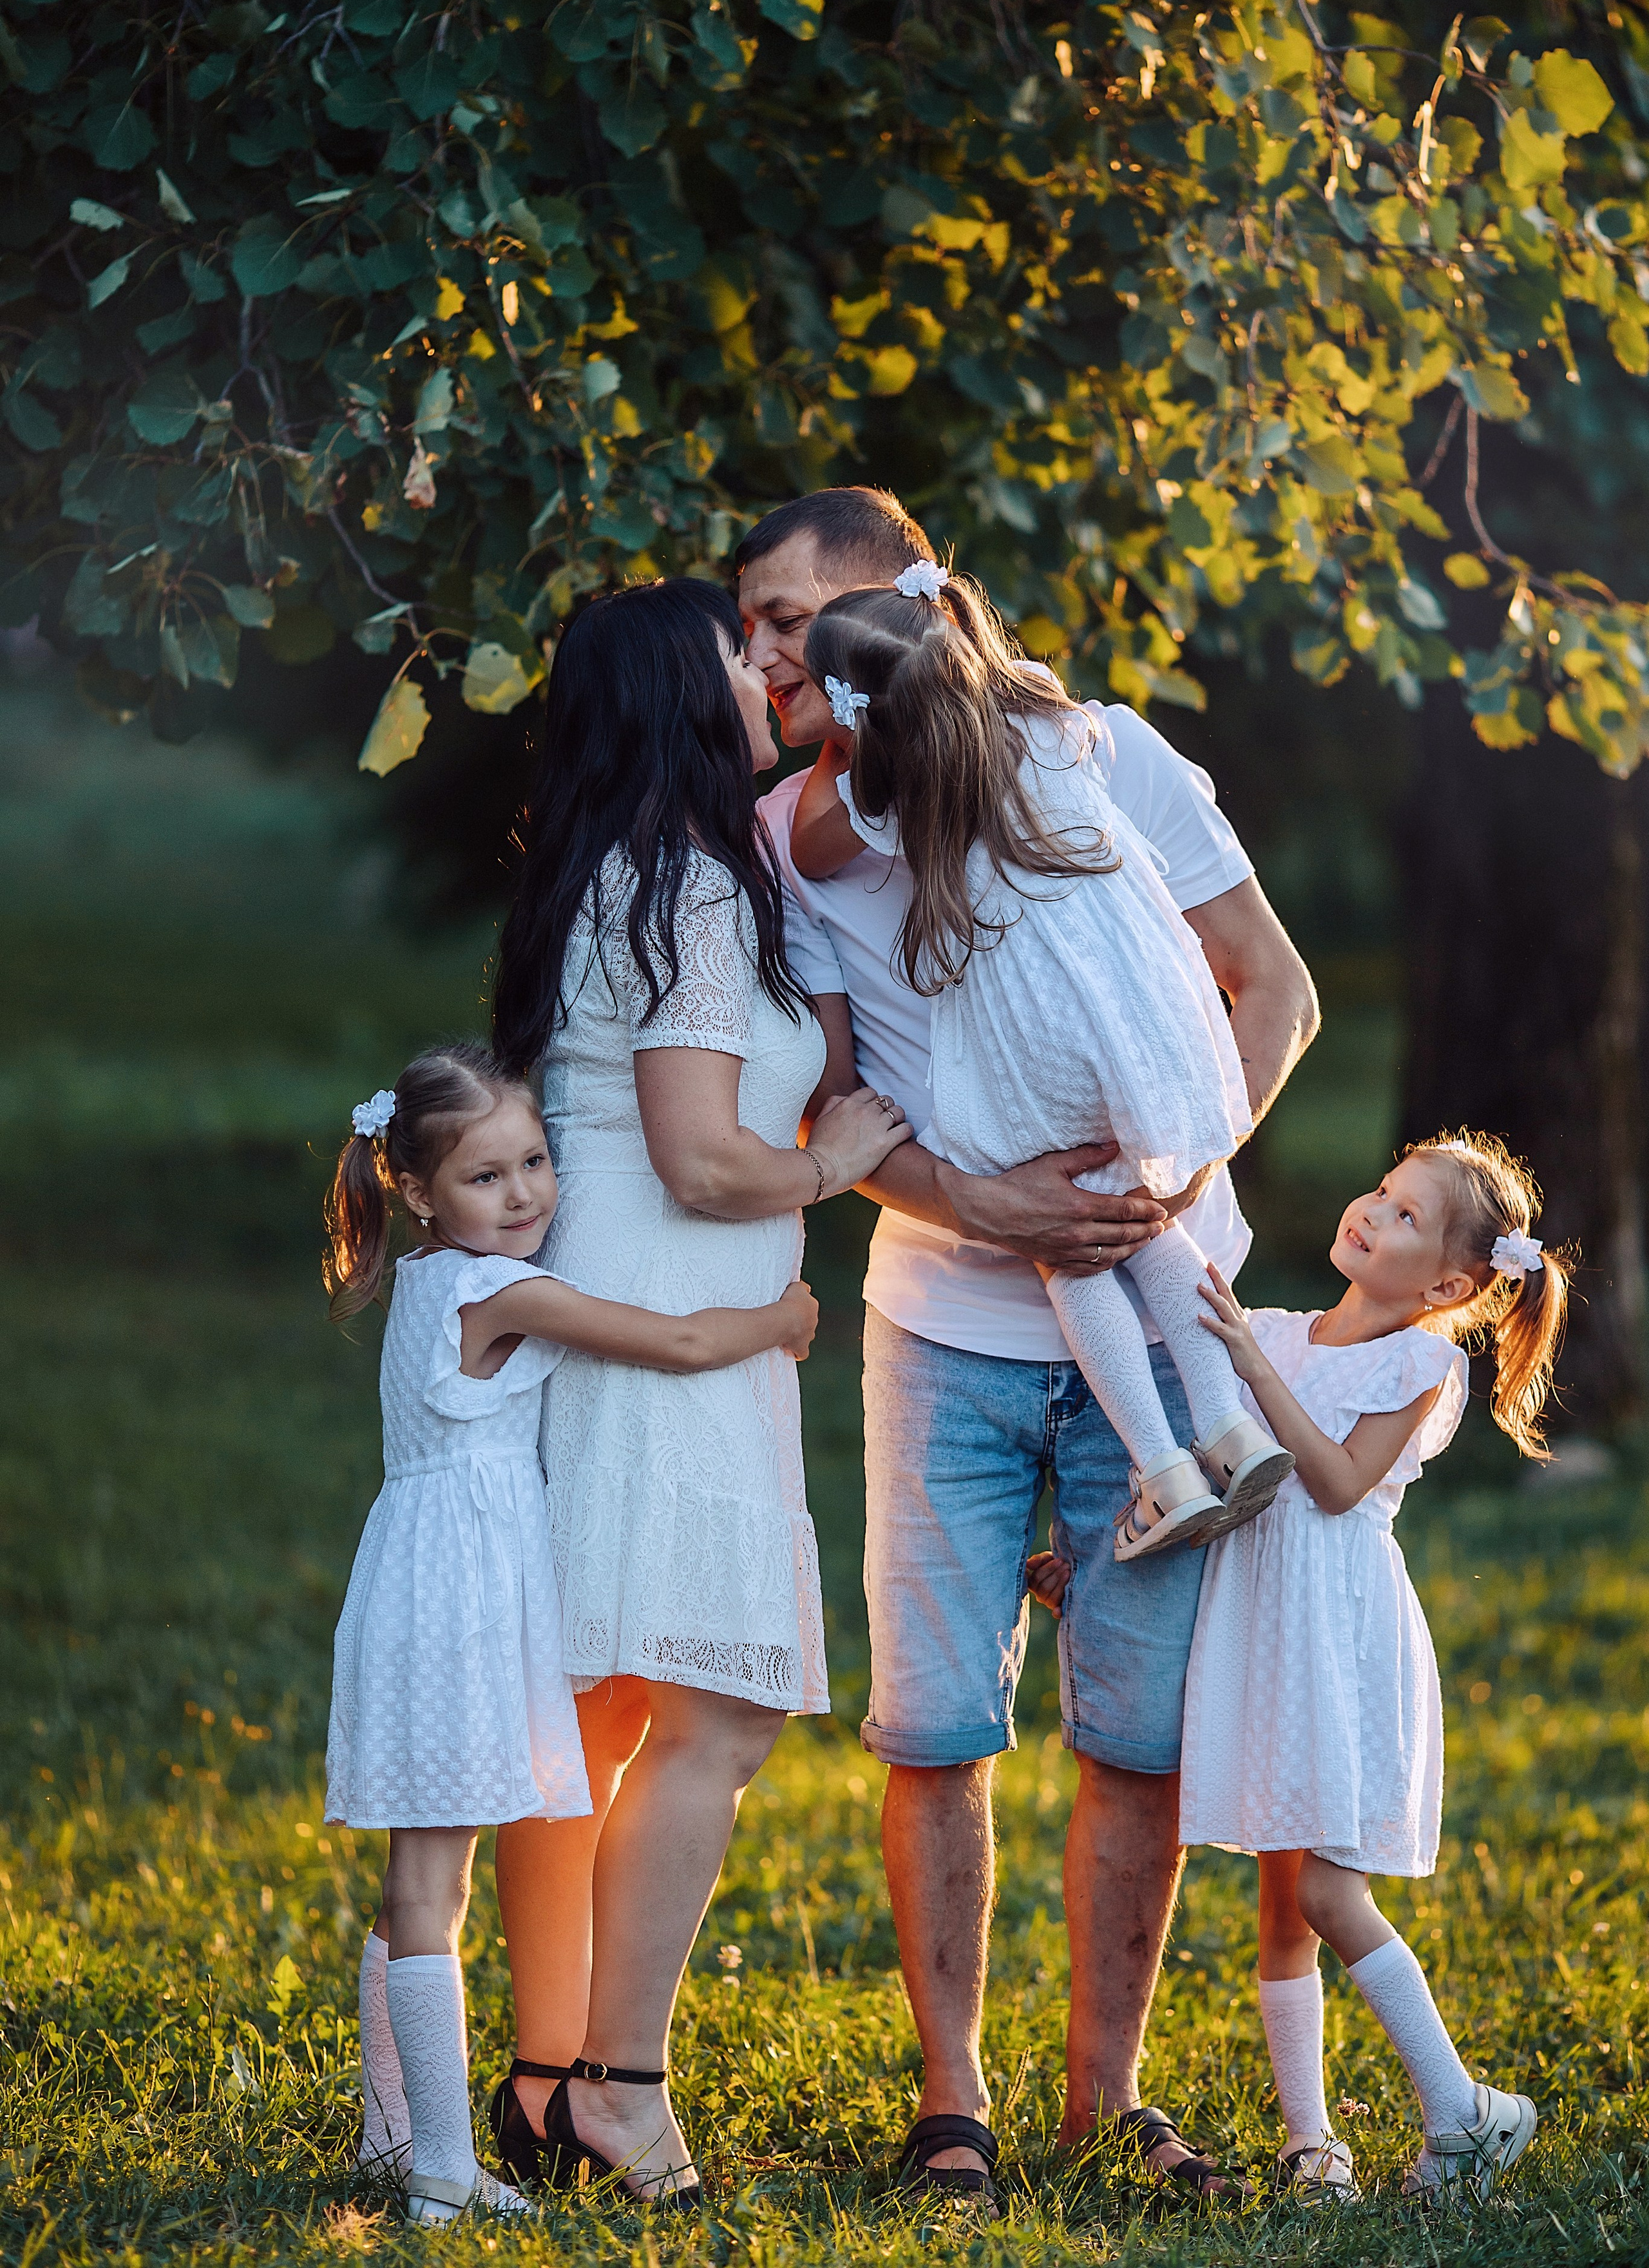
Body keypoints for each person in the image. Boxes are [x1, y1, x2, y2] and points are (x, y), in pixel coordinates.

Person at [742, 486, 1318, 2204]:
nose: (762, 652)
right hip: (946, 1332)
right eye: (755, 623)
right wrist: (991, 1208)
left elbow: (1269, 993)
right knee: (936, 1725)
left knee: (1135, 1732)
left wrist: (1165, 1181)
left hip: (1166, 1288)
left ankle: (1106, 2099)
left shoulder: (1108, 753)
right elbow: (839, 1099)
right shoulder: (792, 844)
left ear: (890, 611)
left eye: (788, 617)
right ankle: (954, 2106)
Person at [486, 578, 911, 2204]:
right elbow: (700, 1153)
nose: (767, 669)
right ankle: (622, 2082)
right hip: (665, 1319)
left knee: (588, 1713)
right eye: (742, 653)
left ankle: (542, 2075)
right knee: (715, 1710)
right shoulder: (692, 889)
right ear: (682, 693)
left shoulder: (602, 870)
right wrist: (834, 1161)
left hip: (608, 1315)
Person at [323, 1043, 819, 2226]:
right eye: (488, 1177)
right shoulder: (499, 1290)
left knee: (417, 1879)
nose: (529, 1193)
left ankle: (391, 2133)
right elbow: (677, 1343)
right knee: (432, 1883)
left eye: (537, 1160)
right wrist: (780, 1318)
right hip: (459, 1601)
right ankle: (443, 2169)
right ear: (422, 1195)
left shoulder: (437, 1283)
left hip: (425, 1580)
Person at [792, 566, 1292, 1561]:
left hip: (1033, 1052)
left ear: (863, 721)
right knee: (1148, 1220)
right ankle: (1231, 1429)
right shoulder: (1058, 728)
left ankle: (1165, 1469)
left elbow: (811, 852)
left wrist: (848, 758)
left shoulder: (894, 794)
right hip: (1131, 1021)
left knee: (1071, 1250)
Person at [1180, 1135, 1563, 2204]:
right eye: (1383, 1193)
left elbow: (1341, 1483)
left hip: (1338, 1637)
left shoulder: (1422, 1365)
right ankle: (1316, 2146)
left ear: (1447, 1283)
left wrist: (1256, 1373)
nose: (1371, 1212)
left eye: (1404, 1217)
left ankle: (1464, 2112)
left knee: (1326, 1888)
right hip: (1261, 1623)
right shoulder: (1268, 1331)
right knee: (1278, 1898)